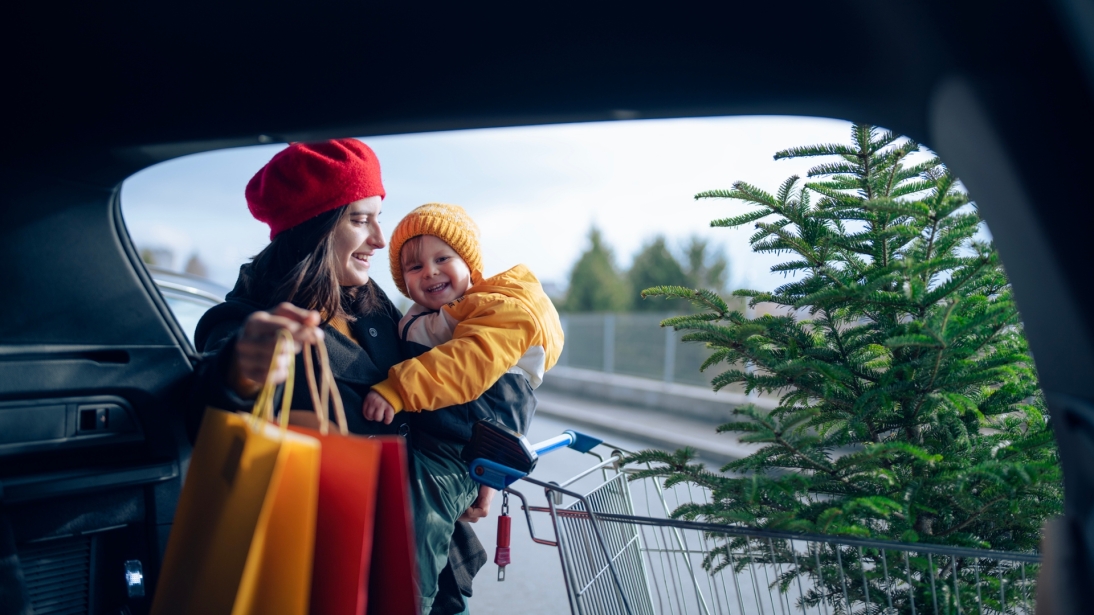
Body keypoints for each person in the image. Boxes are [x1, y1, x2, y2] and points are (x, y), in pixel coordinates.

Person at [189, 139, 484, 614]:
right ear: (315, 226)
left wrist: (478, 464)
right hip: (332, 567)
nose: (380, 239)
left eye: (378, 217)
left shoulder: (372, 301)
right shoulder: (248, 319)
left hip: (428, 554)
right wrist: (239, 372)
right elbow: (206, 407)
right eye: (360, 219)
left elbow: (437, 379)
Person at [361, 203, 565, 614]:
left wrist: (398, 388)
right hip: (446, 439)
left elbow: (466, 366)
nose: (430, 272)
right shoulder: (426, 317)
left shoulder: (495, 312)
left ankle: (406, 602)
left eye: (442, 259)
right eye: (414, 267)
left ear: (469, 264)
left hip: (463, 445)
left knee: (420, 507)